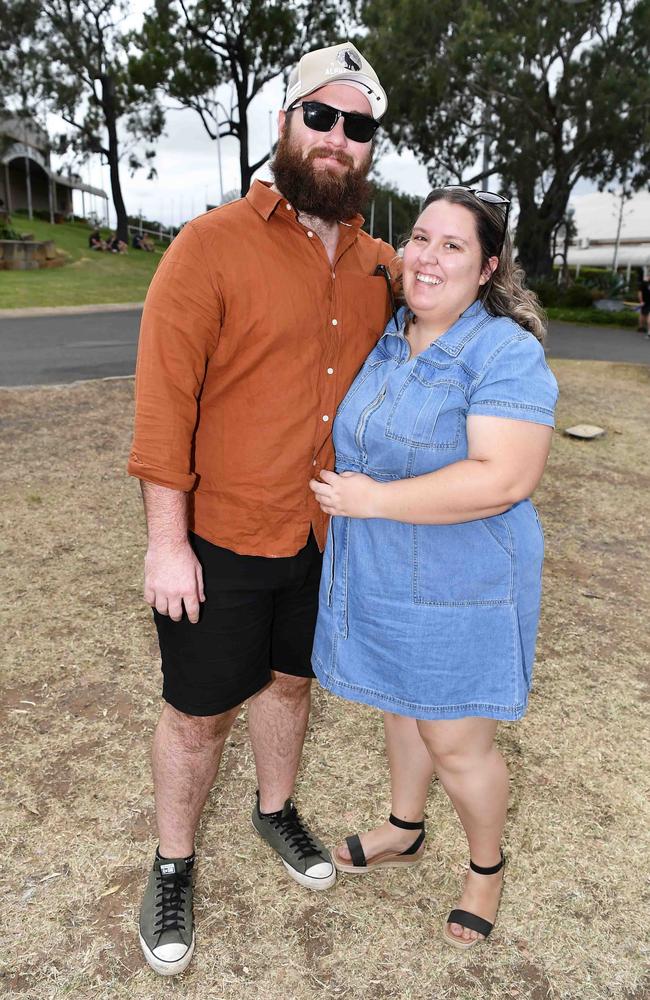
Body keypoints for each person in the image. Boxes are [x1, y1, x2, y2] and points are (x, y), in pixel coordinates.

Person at [127, 41, 393, 976]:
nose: (337, 138)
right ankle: (172, 862)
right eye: (320, 116)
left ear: (369, 149)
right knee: (199, 714)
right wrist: (168, 545)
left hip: (326, 535)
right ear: (286, 122)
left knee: (290, 685)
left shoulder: (381, 267)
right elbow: (165, 403)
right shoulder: (209, 244)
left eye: (358, 127)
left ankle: (275, 810)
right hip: (222, 535)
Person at [310, 187, 558, 950]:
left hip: (466, 582)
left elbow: (503, 479)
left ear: (486, 268)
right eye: (420, 238)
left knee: (457, 741)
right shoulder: (390, 339)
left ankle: (486, 867)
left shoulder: (503, 352)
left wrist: (372, 501)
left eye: (453, 246)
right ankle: (403, 827)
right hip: (385, 572)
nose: (428, 256)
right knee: (399, 703)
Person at [636, 266, 650, 335]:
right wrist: (641, 301)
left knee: (644, 314)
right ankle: (642, 327)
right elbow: (639, 293)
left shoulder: (644, 283)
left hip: (646, 302)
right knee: (644, 315)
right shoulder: (644, 284)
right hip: (645, 302)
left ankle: (642, 327)